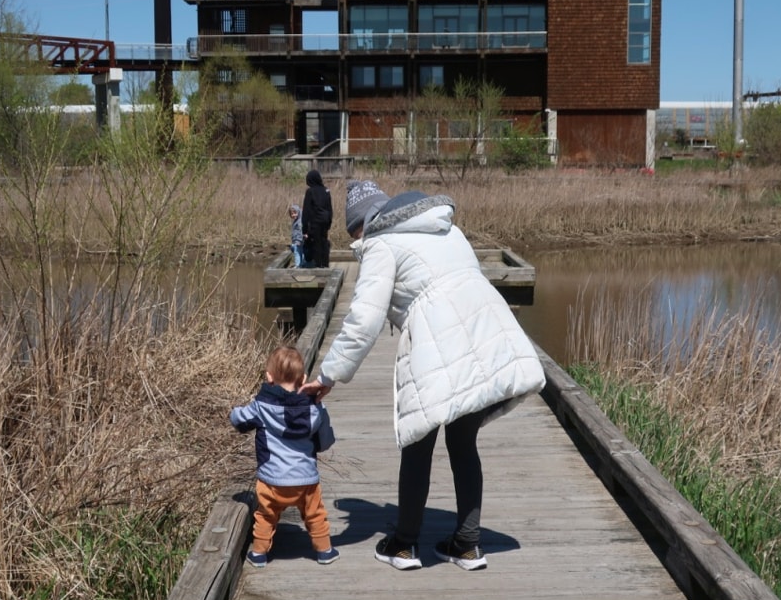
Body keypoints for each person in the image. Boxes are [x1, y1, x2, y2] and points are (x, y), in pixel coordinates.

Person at [299, 180, 545, 571]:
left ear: (363, 225)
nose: (356, 243)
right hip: (485, 331)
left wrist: (328, 374)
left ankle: (404, 544)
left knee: (418, 441)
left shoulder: (381, 243)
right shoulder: (446, 227)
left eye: (354, 234)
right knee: (464, 442)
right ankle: (466, 544)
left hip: (438, 341)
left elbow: (364, 320)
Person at [229, 345, 339, 568]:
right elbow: (325, 441)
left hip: (271, 479)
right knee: (315, 515)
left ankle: (259, 553)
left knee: (266, 516)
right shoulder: (315, 409)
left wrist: (233, 412)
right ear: (304, 378)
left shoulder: (261, 406)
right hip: (306, 480)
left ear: (269, 377)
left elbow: (239, 420)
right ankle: (324, 551)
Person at [301, 169, 333, 268]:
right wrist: (329, 222)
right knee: (324, 241)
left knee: (316, 242)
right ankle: (325, 263)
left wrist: (305, 229)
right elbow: (329, 208)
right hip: (325, 220)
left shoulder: (310, 192)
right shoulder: (326, 190)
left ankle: (318, 265)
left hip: (315, 222)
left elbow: (306, 211)